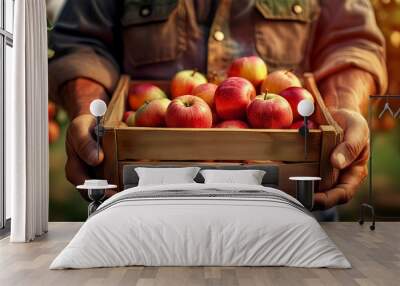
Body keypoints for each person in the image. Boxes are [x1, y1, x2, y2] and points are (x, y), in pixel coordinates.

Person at [48, 0, 388, 210]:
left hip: (292, 195)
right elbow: (82, 43)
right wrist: (89, 112)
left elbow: (351, 41)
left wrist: (343, 109)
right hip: (145, 197)